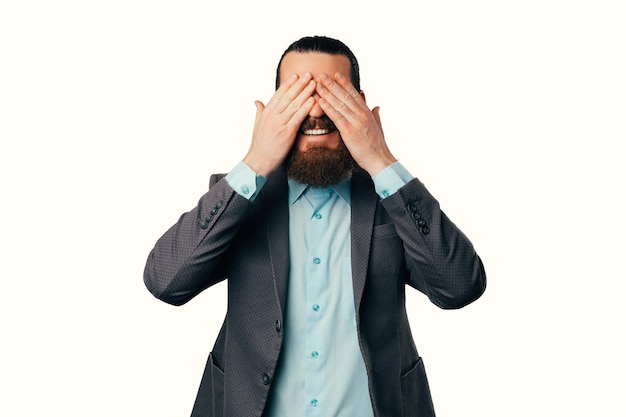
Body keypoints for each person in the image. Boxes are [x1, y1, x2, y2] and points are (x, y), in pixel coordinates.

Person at [144, 35, 486, 417]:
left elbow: (460, 287)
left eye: (333, 94)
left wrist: (381, 160)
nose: (316, 112)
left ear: (359, 105)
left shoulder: (393, 201)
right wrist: (256, 160)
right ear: (274, 109)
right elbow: (165, 282)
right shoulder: (240, 200)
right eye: (298, 94)